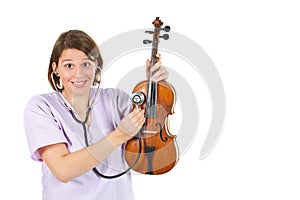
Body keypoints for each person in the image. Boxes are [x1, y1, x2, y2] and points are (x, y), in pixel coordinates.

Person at [23, 30, 169, 200]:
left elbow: (152, 141)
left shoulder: (116, 100)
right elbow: (62, 170)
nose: (78, 74)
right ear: (56, 69)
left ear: (96, 66)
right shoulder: (41, 107)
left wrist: (155, 87)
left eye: (86, 64)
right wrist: (119, 135)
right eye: (69, 65)